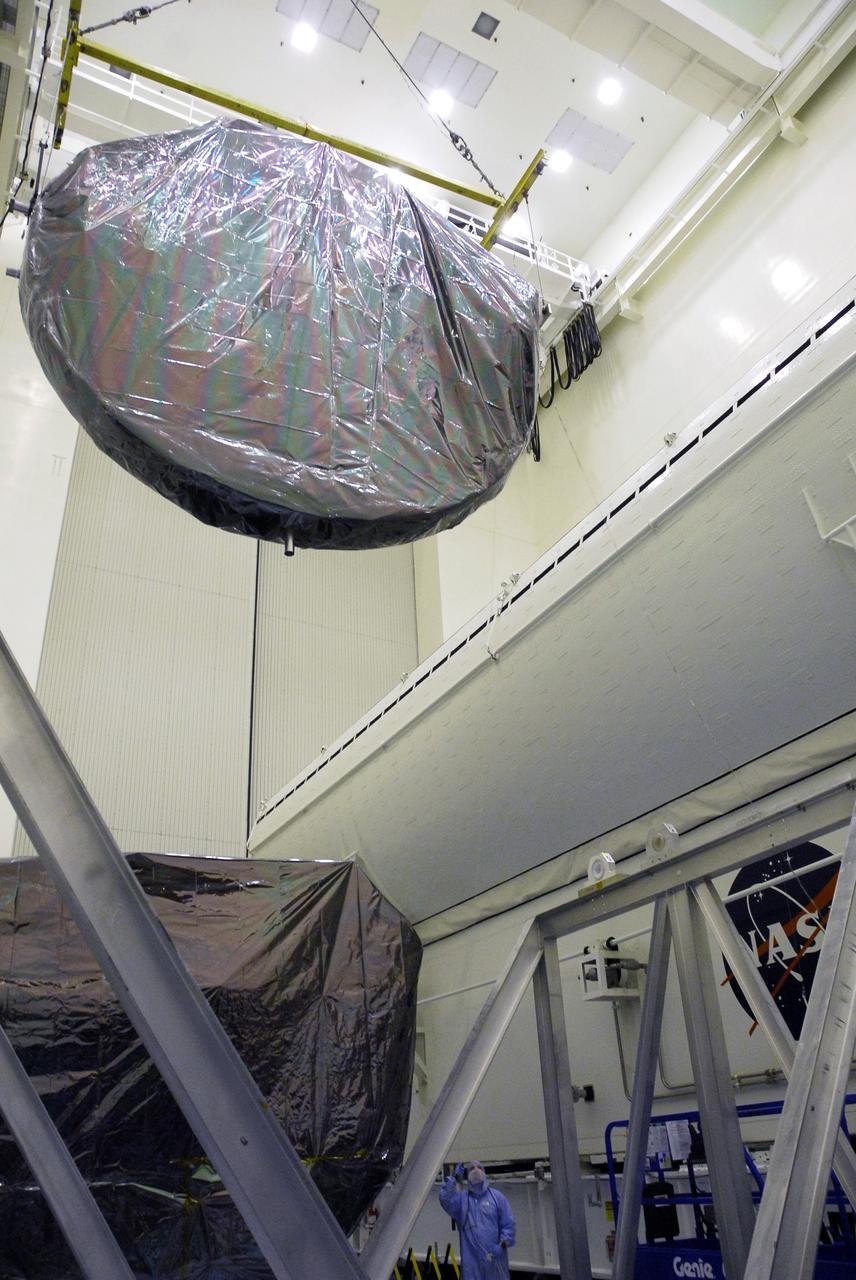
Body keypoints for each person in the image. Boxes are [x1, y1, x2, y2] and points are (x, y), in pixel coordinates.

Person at [439, 1160, 516, 1278]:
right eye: (471, 1168)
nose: (476, 1170)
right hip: (471, 1266)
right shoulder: (462, 1200)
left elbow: (508, 1224)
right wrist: (453, 1178)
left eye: (479, 1167)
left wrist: (502, 1245)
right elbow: (445, 1199)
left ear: (484, 1172)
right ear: (466, 1174)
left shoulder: (497, 1197)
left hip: (495, 1262)